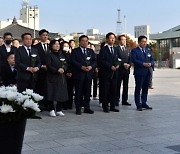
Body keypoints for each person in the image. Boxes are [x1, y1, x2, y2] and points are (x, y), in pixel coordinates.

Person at [70, 35, 96, 115]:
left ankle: (87, 107)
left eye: (86, 41)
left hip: (88, 74)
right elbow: (73, 61)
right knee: (78, 92)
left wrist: (91, 66)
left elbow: (95, 61)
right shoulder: (75, 51)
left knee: (87, 92)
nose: (85, 42)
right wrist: (81, 67)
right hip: (79, 74)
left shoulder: (90, 51)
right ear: (80, 42)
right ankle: (78, 108)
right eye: (83, 41)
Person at [131, 35, 154, 111]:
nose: (144, 43)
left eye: (145, 41)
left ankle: (144, 102)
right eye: (143, 42)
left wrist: (151, 63)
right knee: (138, 88)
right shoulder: (135, 51)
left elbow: (152, 59)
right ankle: (138, 104)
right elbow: (134, 60)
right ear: (139, 42)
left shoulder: (148, 51)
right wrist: (143, 63)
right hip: (139, 72)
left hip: (147, 72)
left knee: (145, 89)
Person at [46, 40, 68, 117]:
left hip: (61, 76)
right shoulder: (49, 55)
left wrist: (64, 69)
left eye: (58, 44)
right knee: (51, 92)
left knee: (61, 92)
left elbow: (65, 63)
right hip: (52, 76)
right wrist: (56, 70)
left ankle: (59, 109)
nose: (57, 45)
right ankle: (51, 109)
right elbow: (48, 65)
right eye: (55, 44)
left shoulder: (61, 54)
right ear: (51, 46)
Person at [99, 32, 120, 113]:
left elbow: (119, 59)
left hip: (115, 73)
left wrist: (118, 65)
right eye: (111, 38)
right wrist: (110, 66)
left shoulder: (115, 49)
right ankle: (105, 106)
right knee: (105, 90)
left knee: (113, 90)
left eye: (114, 38)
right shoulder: (103, 49)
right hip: (106, 73)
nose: (113, 39)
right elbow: (101, 61)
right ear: (107, 39)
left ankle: (112, 106)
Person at [34, 29, 50, 111]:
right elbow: (36, 59)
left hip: (49, 71)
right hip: (40, 71)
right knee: (40, 88)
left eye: (46, 35)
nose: (45, 36)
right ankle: (40, 105)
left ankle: (48, 105)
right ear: (40, 36)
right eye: (43, 35)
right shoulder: (36, 47)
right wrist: (41, 66)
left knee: (48, 89)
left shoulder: (50, 46)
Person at [116, 35, 131, 106]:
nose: (124, 41)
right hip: (119, 70)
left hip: (126, 70)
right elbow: (116, 59)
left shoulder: (128, 49)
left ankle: (125, 100)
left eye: (125, 40)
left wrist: (129, 64)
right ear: (119, 41)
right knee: (117, 85)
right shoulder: (116, 49)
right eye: (122, 39)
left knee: (126, 86)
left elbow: (130, 59)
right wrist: (123, 64)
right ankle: (116, 100)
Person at [60, 41, 74, 110]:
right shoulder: (60, 54)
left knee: (70, 90)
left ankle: (69, 104)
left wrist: (71, 72)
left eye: (67, 46)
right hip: (63, 74)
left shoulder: (71, 55)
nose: (66, 47)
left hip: (71, 74)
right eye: (64, 46)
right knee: (63, 90)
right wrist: (66, 72)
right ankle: (63, 104)